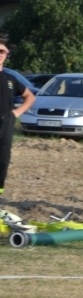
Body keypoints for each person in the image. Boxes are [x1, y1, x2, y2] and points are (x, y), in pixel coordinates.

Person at [0, 39, 36, 200]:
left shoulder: (10, 79)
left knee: (2, 162)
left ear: (6, 55)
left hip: (6, 122)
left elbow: (29, 96)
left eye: (2, 52)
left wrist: (16, 113)